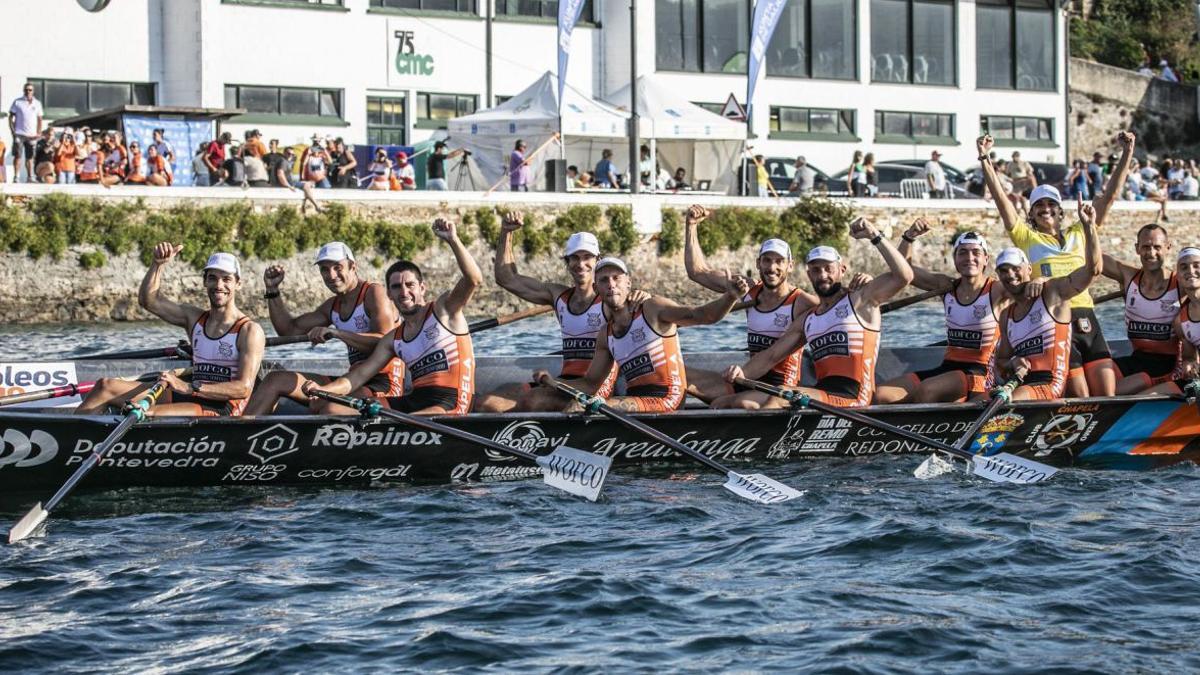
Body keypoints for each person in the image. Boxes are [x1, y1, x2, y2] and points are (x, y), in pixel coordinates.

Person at [979, 132, 1132, 397]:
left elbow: (1109, 196)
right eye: (1039, 205)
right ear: (1031, 213)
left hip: (1086, 316)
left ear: (1061, 210)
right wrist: (984, 158)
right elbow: (1001, 200)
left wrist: (1127, 152)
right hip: (1054, 322)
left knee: (1107, 395)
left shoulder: (1081, 230)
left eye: (1051, 204)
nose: (1046, 209)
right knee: (1081, 397)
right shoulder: (1027, 237)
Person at [722, 218, 914, 408]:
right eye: (815, 270)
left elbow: (904, 276)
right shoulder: (808, 319)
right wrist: (741, 373)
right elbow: (771, 356)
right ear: (809, 274)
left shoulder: (861, 299)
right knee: (724, 402)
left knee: (780, 396)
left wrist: (874, 235)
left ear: (842, 270)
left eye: (828, 269)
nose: (822, 275)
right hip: (823, 394)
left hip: (856, 397)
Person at [305, 219, 482, 416]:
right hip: (416, 400)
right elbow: (358, 376)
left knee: (405, 420)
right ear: (389, 294)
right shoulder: (392, 340)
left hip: (451, 402)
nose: (404, 292)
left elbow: (473, 279)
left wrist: (453, 240)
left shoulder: (444, 310)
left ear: (422, 288)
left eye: (410, 285)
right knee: (332, 409)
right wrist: (323, 391)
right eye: (397, 287)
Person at [477, 214, 646, 412]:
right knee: (487, 401)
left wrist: (644, 297)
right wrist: (506, 232)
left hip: (597, 388)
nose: (581, 264)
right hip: (564, 382)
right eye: (575, 258)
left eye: (587, 257)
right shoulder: (558, 296)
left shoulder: (610, 300)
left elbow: (646, 318)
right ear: (567, 262)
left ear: (597, 261)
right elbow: (507, 278)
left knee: (533, 401)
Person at [536, 256, 748, 413]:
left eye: (617, 278)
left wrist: (730, 297)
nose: (611, 285)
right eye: (604, 280)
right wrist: (551, 382)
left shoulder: (652, 308)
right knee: (575, 404)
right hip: (636, 399)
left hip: (668, 399)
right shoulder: (605, 335)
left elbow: (703, 315)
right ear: (596, 289)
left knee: (580, 407)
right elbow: (590, 384)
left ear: (628, 282)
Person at [77, 244, 265, 416]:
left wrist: (188, 387)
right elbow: (149, 301)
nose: (219, 285)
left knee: (148, 413)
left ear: (238, 284)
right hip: (191, 393)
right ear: (205, 282)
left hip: (222, 406)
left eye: (226, 279)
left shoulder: (249, 331)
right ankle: (73, 438)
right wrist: (157, 264)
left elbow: (243, 388)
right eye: (212, 278)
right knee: (105, 386)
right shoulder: (194, 318)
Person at [243, 242, 404, 416]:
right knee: (275, 379)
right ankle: (239, 430)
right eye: (325, 270)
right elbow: (289, 330)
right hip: (353, 380)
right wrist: (272, 290)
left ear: (353, 267)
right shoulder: (332, 306)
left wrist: (337, 333)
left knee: (326, 407)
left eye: (337, 268)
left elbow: (384, 342)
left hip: (384, 383)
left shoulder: (375, 293)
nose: (332, 275)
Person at [874, 223, 1016, 403]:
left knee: (928, 390)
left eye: (976, 253)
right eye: (962, 252)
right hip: (947, 368)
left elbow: (1026, 288)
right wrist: (909, 237)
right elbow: (902, 269)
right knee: (881, 395)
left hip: (981, 374)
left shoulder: (997, 290)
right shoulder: (946, 286)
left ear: (986, 259)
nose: (969, 258)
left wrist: (1038, 281)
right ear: (955, 259)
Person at [989, 199, 1102, 401]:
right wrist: (1013, 362)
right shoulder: (1007, 315)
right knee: (984, 399)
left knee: (1008, 399)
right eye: (1004, 271)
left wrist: (1089, 227)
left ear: (1029, 269)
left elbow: (1092, 270)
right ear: (998, 275)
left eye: (1016, 268)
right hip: (1025, 384)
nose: (1011, 275)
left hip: (1050, 383)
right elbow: (1001, 361)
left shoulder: (1053, 293)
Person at [1099, 224, 1179, 394]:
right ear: (1137, 248)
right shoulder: (1129, 276)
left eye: (1157, 247)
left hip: (1168, 366)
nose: (1151, 253)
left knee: (1108, 390)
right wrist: (1087, 226)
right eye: (1146, 247)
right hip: (1137, 359)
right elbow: (1095, 259)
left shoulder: (1181, 285)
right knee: (1095, 376)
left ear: (1168, 248)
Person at [1142, 248, 1200, 396]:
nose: (1190, 271)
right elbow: (1189, 358)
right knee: (1146, 398)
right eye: (1184, 267)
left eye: (1197, 265)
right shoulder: (1180, 320)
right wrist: (1189, 365)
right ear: (1178, 277)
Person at [9, 83, 43, 183]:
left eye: (30, 90)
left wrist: (39, 132)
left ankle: (30, 177)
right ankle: (16, 177)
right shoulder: (17, 102)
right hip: (19, 133)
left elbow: (40, 119)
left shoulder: (37, 103)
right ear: (23, 90)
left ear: (33, 91)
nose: (28, 91)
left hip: (32, 135)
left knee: (30, 157)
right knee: (18, 156)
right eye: (26, 90)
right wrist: (13, 131)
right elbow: (11, 117)